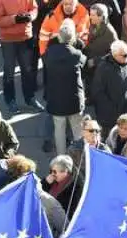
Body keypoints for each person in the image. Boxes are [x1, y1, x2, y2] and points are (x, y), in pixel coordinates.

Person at [44, 19, 86, 155]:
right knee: (78, 131)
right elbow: (84, 64)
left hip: (56, 98)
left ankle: (61, 158)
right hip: (74, 98)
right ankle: (81, 158)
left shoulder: (49, 53)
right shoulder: (77, 54)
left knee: (59, 130)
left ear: (59, 36)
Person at [0, 0, 40, 114]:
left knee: (27, 70)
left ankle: (30, 98)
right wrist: (15, 19)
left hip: (25, 37)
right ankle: (10, 101)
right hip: (8, 39)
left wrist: (30, 16)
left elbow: (34, 8)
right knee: (9, 71)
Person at [91, 40, 127, 132]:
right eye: (125, 55)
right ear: (115, 55)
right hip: (108, 116)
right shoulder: (103, 68)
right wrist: (110, 109)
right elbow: (98, 92)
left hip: (125, 111)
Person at [83, 4, 117, 100]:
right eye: (90, 14)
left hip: (100, 68)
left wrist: (96, 60)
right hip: (89, 65)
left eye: (93, 15)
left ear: (102, 17)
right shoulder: (90, 25)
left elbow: (115, 53)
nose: (90, 17)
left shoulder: (110, 32)